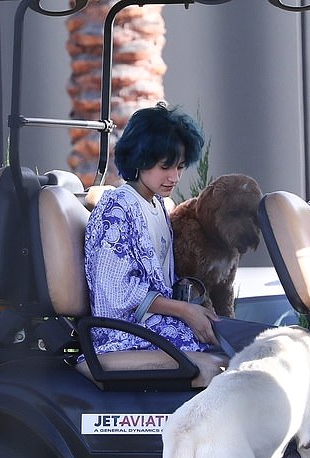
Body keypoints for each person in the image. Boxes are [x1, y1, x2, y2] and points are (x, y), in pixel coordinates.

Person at [84, 102, 219, 355]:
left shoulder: (157, 204)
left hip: (155, 325)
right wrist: (184, 311)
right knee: (217, 346)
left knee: (229, 336)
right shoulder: (117, 208)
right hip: (124, 333)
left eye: (179, 167)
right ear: (139, 158)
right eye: (164, 166)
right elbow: (116, 293)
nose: (174, 178)